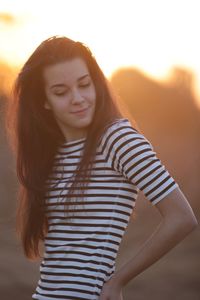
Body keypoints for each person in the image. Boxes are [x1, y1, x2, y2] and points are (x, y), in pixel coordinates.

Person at [7, 35, 198, 300]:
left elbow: (182, 218)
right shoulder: (53, 153)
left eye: (84, 85)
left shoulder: (117, 139)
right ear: (44, 101)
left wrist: (118, 280)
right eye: (61, 92)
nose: (78, 98)